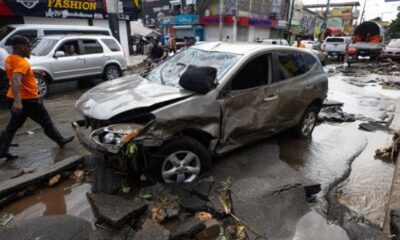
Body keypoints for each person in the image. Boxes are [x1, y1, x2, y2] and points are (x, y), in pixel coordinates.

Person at [0, 35, 74, 160]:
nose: (30, 49)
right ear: (21, 47)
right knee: (45, 121)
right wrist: (18, 102)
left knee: (13, 125)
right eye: (28, 47)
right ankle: (60, 140)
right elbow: (16, 78)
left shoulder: (10, 59)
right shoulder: (22, 61)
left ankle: (2, 150)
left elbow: (16, 73)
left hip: (13, 96)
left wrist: (33, 72)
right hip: (28, 99)